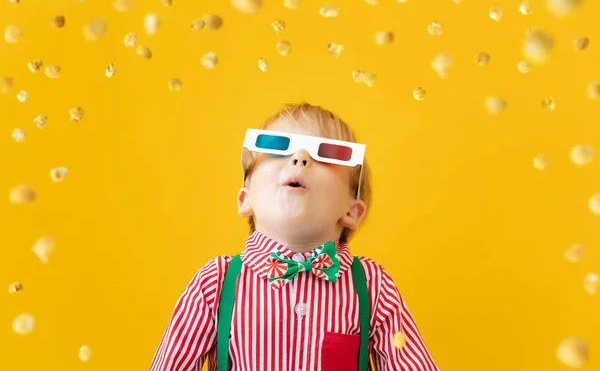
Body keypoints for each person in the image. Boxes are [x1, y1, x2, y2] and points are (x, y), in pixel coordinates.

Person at [149, 102, 439, 370]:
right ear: (244, 198)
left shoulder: (373, 287)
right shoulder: (215, 283)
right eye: (277, 149)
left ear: (352, 211)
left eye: (326, 153)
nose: (300, 158)